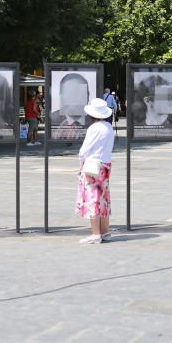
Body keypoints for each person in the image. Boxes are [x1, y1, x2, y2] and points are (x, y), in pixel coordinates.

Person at [76, 98, 116, 244]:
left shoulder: (94, 128)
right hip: (105, 164)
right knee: (104, 198)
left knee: (92, 198)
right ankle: (105, 231)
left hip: (92, 165)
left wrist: (80, 162)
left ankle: (95, 233)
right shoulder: (108, 127)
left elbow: (85, 149)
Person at [51, 73, 92, 140]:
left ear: (88, 95)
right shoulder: (53, 119)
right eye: (69, 92)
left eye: (80, 92)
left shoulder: (94, 119)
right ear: (61, 95)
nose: (75, 97)